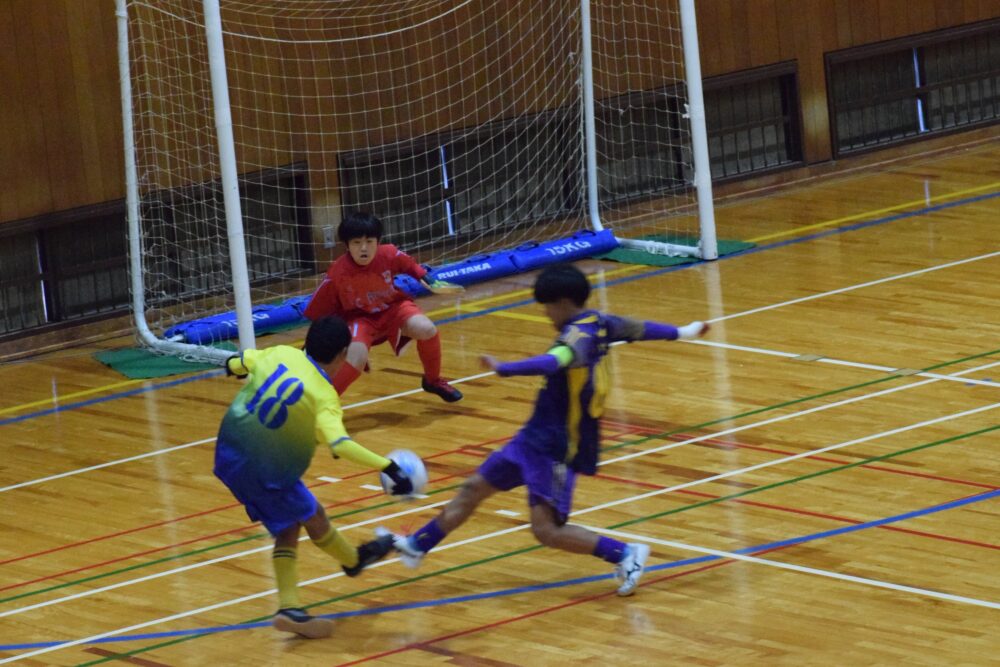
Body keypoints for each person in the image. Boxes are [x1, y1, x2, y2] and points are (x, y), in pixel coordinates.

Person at [378, 263, 710, 596]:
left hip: (556, 447)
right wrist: (684, 331)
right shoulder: (599, 322)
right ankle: (417, 546)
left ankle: (626, 554)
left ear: (563, 302)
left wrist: (505, 368)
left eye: (548, 306)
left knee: (547, 530)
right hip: (532, 437)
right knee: (473, 488)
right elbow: (640, 328)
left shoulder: (577, 338)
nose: (547, 314)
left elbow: (554, 361)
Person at [214, 315, 417, 639]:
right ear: (342, 355)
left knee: (312, 514)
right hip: (267, 471)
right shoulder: (324, 396)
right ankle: (290, 607)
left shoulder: (280, 353)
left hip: (227, 452)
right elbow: (340, 444)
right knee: (290, 528)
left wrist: (233, 366)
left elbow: (240, 361)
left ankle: (353, 560)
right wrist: (389, 467)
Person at [303, 210, 464, 402]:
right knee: (357, 356)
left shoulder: (389, 253)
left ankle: (433, 381)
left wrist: (428, 279)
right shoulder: (337, 274)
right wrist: (311, 345)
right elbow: (318, 312)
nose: (364, 248)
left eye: (369, 241)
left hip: (392, 308)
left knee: (427, 329)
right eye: (356, 242)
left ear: (378, 242)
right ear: (347, 245)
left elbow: (410, 266)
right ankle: (324, 401)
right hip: (359, 319)